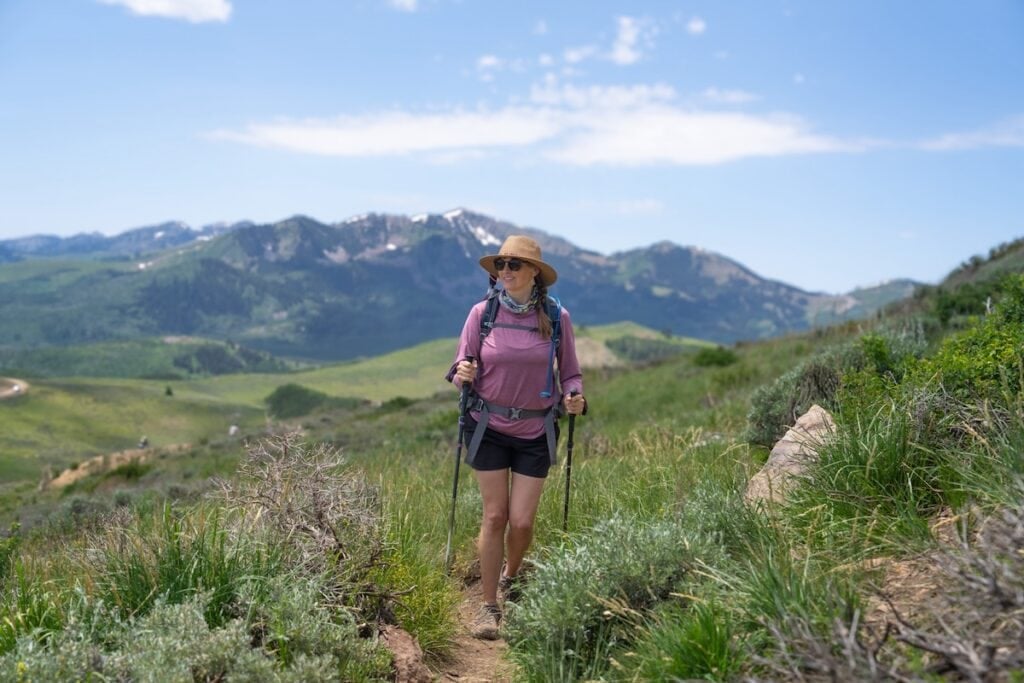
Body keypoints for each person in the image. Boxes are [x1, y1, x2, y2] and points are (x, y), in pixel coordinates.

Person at [447, 235, 586, 640]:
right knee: (495, 516)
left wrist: (574, 396)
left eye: (513, 265)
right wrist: (462, 374)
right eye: (500, 266)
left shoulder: (558, 317)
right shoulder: (482, 313)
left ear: (534, 274)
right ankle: (488, 607)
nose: (504, 272)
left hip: (535, 429)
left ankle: (512, 575)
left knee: (522, 522)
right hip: (487, 426)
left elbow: (571, 372)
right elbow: (460, 366)